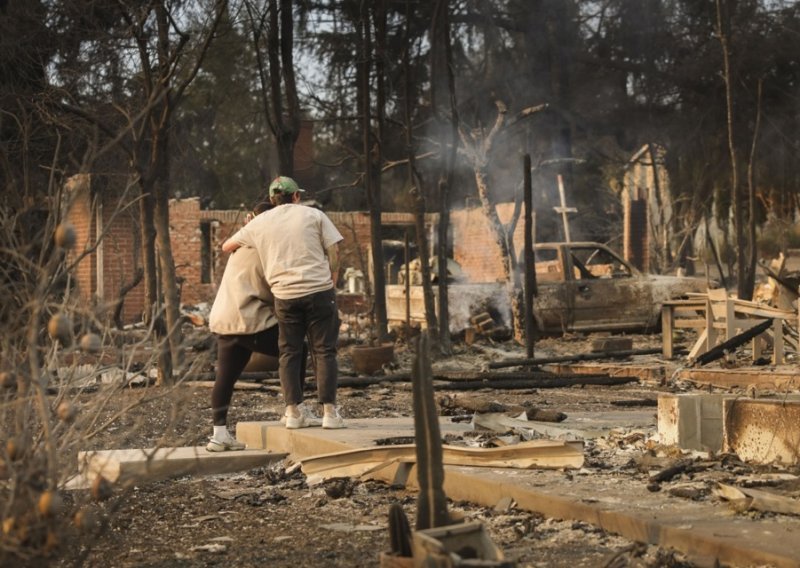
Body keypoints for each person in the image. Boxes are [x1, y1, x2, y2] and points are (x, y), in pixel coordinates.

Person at [222, 176, 345, 429]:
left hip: (285, 296)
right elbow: (334, 251)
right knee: (324, 351)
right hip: (319, 291)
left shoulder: (261, 222)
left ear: (271, 199)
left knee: (289, 351)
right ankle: (330, 414)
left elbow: (227, 246)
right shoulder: (314, 215)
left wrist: (250, 228)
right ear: (296, 196)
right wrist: (332, 283)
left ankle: (292, 413)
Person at [206, 202, 312, 451]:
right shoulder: (265, 248)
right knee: (296, 349)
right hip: (249, 318)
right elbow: (276, 287)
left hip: (225, 319)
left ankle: (219, 434)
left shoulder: (240, 246)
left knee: (226, 376)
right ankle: (293, 409)